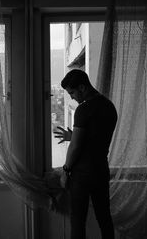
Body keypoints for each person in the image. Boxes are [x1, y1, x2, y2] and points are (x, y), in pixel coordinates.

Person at [54, 69, 117, 239]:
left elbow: (75, 147)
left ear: (82, 88)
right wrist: (73, 135)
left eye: (72, 92)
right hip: (101, 171)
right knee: (104, 217)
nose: (72, 97)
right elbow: (96, 139)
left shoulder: (84, 110)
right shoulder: (109, 106)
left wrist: (66, 171)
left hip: (82, 174)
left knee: (78, 220)